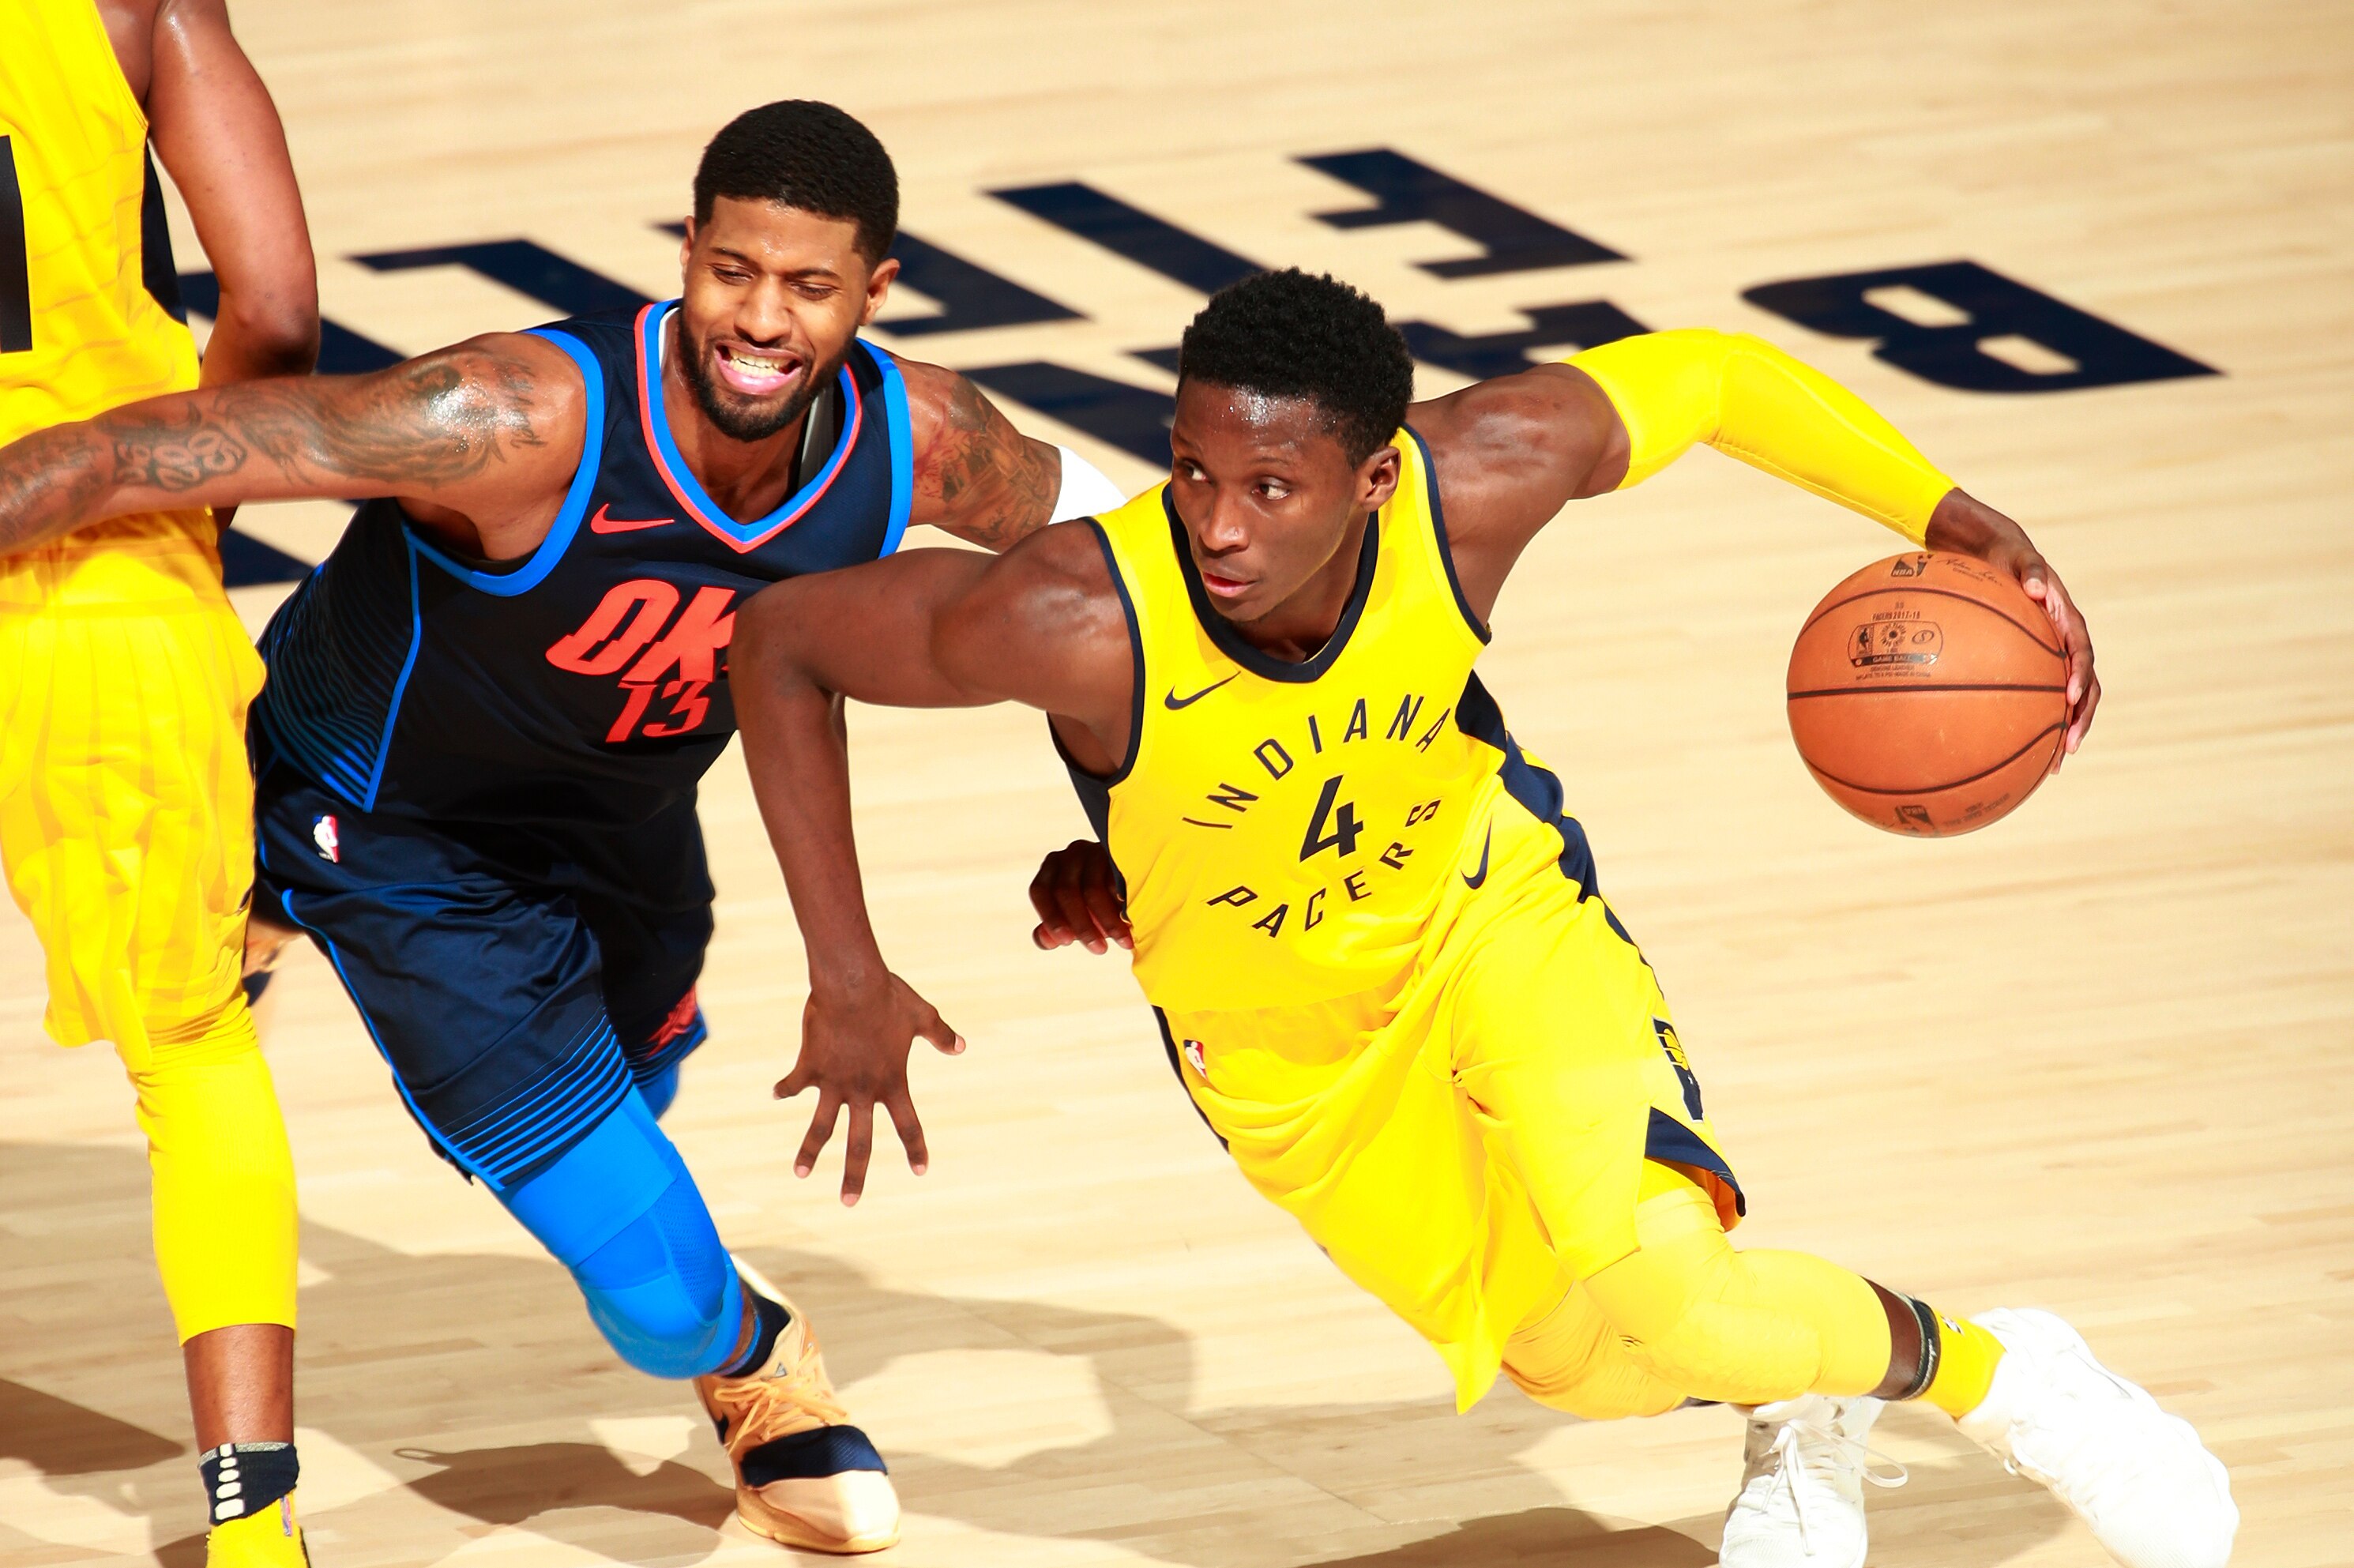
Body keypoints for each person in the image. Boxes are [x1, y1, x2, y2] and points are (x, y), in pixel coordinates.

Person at [725, 268, 2238, 1568]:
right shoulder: (1070, 612)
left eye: (1272, 488)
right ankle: (1807, 1398)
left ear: (1374, 477)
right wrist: (848, 966)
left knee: (1665, 1278)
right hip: (1282, 1051)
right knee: (1584, 1364)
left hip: (1492, 919)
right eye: (1192, 471)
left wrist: (1953, 511)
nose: (1217, 524)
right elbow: (783, 641)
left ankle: (2009, 1375)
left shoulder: (1477, 485)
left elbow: (1711, 375)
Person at [0, 99, 1126, 1555]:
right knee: (660, 1303)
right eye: (733, 272)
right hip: (396, 839)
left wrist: (1127, 820)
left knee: (632, 1119)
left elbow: (1122, 582)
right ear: (686, 252)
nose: (761, 322)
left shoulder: (927, 440)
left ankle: (299, 933)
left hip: (622, 832)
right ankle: (754, 1356)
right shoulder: (509, 418)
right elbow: (135, 451)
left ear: (877, 293)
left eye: (808, 287)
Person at [0, 2, 318, 1561]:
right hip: (98, 557)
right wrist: (177, 510)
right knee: (192, 1048)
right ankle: (254, 1535)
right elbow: (271, 309)